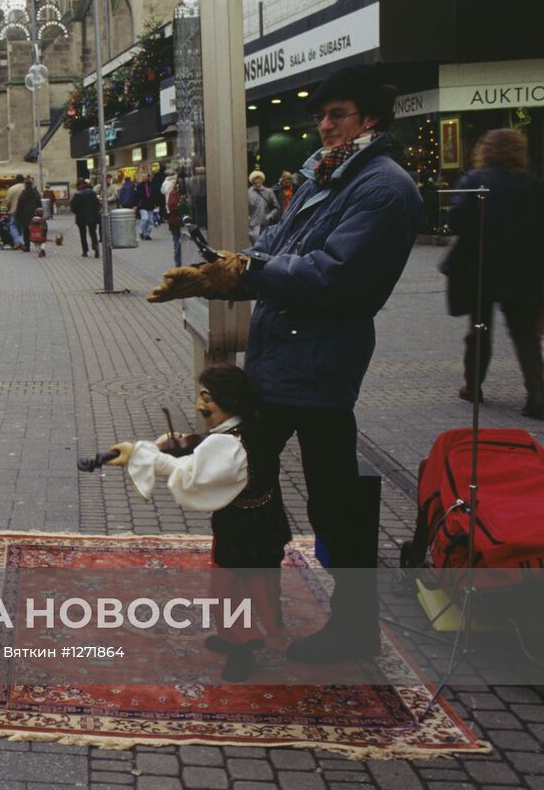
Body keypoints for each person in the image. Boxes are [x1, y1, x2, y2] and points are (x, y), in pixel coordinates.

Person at [148, 64, 422, 664]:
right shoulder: (328, 177)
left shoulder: (381, 186)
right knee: (253, 483)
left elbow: (335, 277)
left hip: (319, 364)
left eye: (337, 115)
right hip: (285, 356)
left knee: (324, 499)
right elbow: (273, 248)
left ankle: (349, 627)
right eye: (321, 116)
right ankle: (252, 623)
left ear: (368, 118)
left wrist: (243, 272)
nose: (323, 126)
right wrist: (220, 272)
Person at [105, 365, 291, 682]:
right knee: (255, 582)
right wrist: (178, 444)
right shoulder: (251, 428)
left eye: (207, 398)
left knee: (233, 586)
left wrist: (142, 454)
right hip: (263, 523)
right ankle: (242, 635)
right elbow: (208, 451)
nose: (199, 405)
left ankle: (242, 646)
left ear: (229, 399)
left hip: (244, 530)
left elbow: (194, 473)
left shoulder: (228, 445)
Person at [441, 128, 544, 418]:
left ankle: (473, 385)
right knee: (525, 335)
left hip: (482, 268)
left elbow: (457, 222)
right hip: (525, 272)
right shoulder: (534, 186)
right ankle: (536, 392)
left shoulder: (475, 182)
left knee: (480, 329)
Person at [246, 171, 280, 245]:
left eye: (259, 178)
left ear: (262, 180)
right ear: (252, 181)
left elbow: (276, 207)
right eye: (255, 179)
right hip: (252, 226)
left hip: (266, 225)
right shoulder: (247, 193)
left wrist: (269, 216)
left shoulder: (269, 192)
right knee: (253, 247)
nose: (258, 181)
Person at [72, 179, 101, 258]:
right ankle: (96, 247)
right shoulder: (92, 192)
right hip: (92, 216)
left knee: (83, 234)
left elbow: (73, 206)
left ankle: (85, 251)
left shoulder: (77, 194)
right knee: (93, 232)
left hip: (81, 217)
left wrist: (77, 212)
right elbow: (97, 204)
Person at [14, 178, 42, 253]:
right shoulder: (36, 193)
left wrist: (17, 215)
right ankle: (38, 246)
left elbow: (19, 206)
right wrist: (40, 214)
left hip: (25, 215)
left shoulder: (23, 194)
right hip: (34, 215)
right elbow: (39, 204)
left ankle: (27, 247)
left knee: (26, 231)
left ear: (25, 185)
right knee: (36, 230)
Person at [162, 171, 183, 267]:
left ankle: (178, 263)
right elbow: (172, 205)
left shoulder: (168, 187)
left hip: (173, 218)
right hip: (176, 220)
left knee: (177, 242)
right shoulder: (174, 192)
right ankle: (178, 264)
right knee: (177, 243)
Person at [135, 172, 160, 241]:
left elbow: (155, 195)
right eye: (142, 177)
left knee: (150, 221)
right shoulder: (139, 186)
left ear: (148, 177)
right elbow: (136, 196)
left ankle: (147, 234)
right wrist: (136, 205)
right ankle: (141, 231)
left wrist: (157, 204)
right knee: (145, 219)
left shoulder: (151, 185)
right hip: (142, 205)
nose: (143, 178)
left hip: (150, 205)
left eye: (145, 176)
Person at [4, 178, 27, 247]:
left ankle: (17, 242)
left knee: (13, 226)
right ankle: (24, 242)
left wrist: (8, 209)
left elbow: (7, 202)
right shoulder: (27, 187)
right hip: (25, 211)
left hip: (14, 211)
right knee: (24, 227)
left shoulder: (12, 189)